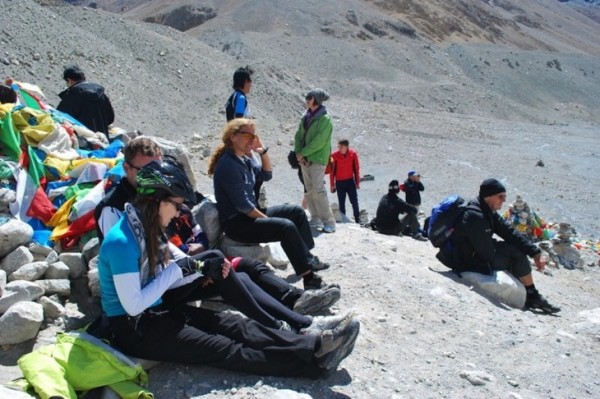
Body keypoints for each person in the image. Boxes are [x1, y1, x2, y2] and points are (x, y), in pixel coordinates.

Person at [97, 161, 360, 377]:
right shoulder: (122, 241)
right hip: (135, 329)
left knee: (232, 324)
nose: (178, 213)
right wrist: (186, 268)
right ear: (157, 201)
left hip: (159, 311)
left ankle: (315, 344)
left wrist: (202, 268)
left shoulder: (146, 229)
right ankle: (314, 364)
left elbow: (175, 267)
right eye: (176, 205)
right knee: (225, 348)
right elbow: (133, 305)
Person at [208, 118, 333, 291]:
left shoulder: (244, 159)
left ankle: (308, 258)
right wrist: (266, 220)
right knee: (285, 227)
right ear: (233, 137)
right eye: (247, 135)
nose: (252, 139)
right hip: (237, 224)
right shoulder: (228, 164)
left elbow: (267, 175)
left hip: (249, 215)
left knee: (296, 212)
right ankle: (309, 278)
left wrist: (262, 152)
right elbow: (242, 205)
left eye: (254, 136)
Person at [444, 178, 560, 314]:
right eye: (500, 197)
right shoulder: (476, 216)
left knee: (514, 248)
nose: (504, 200)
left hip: (474, 254)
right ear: (488, 196)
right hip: (466, 261)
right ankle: (532, 296)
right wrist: (508, 250)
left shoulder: (486, 211)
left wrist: (534, 252)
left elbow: (508, 232)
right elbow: (486, 254)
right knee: (515, 254)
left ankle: (530, 294)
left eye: (504, 197)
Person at [294, 88, 336, 233]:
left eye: (309, 97)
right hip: (304, 158)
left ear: (315, 100)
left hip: (317, 158)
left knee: (318, 189)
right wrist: (299, 153)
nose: (306, 100)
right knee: (309, 189)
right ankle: (315, 217)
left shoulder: (325, 119)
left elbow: (319, 141)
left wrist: (303, 152)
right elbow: (298, 135)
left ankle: (329, 221)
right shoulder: (305, 116)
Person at [57, 65, 115, 138]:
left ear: (69, 80)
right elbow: (110, 118)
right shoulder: (101, 94)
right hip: (102, 140)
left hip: (82, 141)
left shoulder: (72, 94)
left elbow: (61, 118)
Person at [329, 139, 361, 223]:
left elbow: (356, 169)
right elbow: (332, 171)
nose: (339, 148)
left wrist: (357, 182)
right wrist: (332, 185)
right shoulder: (334, 155)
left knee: (354, 201)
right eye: (339, 146)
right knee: (341, 203)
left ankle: (358, 219)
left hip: (350, 181)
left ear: (346, 147)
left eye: (341, 147)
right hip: (339, 183)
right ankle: (343, 220)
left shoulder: (353, 154)